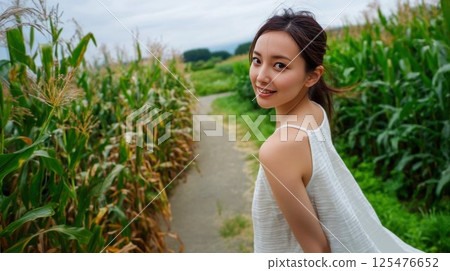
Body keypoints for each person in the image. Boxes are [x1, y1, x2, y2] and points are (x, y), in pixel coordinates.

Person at [250, 9, 423, 253]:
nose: (261, 76)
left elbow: (317, 250)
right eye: (257, 60)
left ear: (312, 76)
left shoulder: (278, 150)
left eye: (280, 65)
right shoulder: (315, 111)